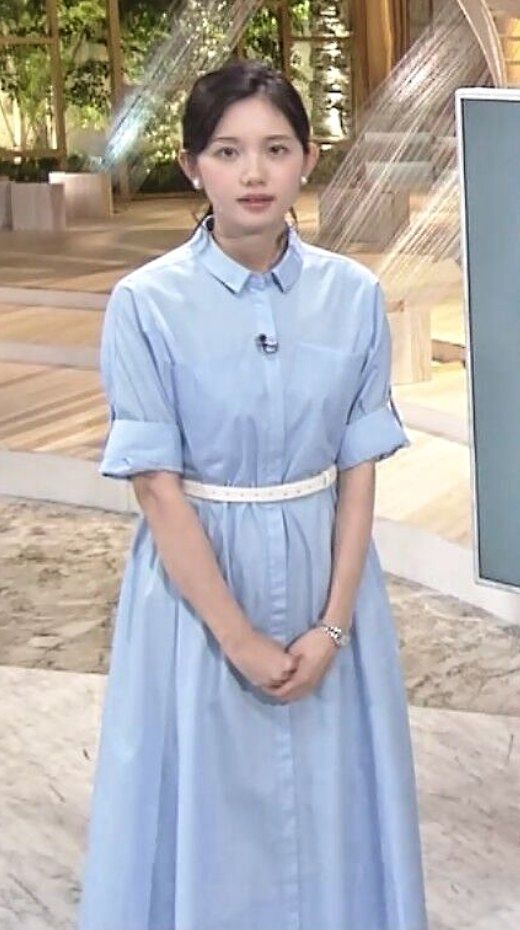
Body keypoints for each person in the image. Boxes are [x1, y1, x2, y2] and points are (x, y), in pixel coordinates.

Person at [77, 59, 428, 930]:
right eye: (228, 151)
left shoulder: (352, 296)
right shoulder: (146, 304)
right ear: (192, 167)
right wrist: (236, 637)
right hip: (198, 589)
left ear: (307, 157)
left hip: (327, 582)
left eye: (275, 148)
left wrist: (333, 625)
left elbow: (358, 469)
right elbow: (157, 488)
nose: (254, 172)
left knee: (333, 802)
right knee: (206, 807)